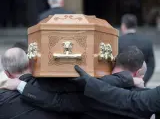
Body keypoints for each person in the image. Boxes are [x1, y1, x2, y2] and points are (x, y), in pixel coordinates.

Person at [1, 46, 149, 119]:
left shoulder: (5, 100)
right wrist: (129, 79)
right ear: (32, 63)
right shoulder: (53, 84)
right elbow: (92, 85)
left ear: (7, 73)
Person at [119, 14, 155, 84]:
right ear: (135, 26)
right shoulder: (147, 42)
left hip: (123, 85)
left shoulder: (118, 41)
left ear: (123, 26)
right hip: (141, 84)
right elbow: (151, 65)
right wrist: (143, 80)